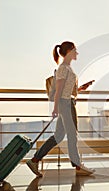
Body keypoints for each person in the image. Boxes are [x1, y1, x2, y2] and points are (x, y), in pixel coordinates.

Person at [26, 41, 95, 177]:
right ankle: (78, 166)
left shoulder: (67, 68)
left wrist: (80, 88)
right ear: (69, 51)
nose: (77, 53)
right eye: (75, 50)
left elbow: (66, 90)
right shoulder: (63, 68)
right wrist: (56, 108)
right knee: (72, 135)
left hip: (67, 103)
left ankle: (35, 160)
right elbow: (58, 91)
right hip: (66, 105)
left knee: (58, 136)